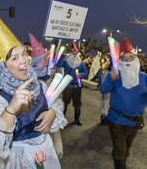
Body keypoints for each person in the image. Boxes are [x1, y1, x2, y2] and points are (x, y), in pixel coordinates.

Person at [0, 0, 67, 169]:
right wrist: (11, 109)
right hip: (14, 160)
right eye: (15, 58)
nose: (24, 61)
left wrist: (53, 113)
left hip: (45, 153)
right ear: (3, 67)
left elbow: (56, 103)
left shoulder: (39, 85)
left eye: (24, 54)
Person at [99, 38, 147, 169]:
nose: (127, 61)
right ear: (120, 60)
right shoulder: (115, 75)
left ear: (136, 59)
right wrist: (111, 79)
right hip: (116, 120)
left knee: (126, 148)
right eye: (124, 58)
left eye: (130, 57)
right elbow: (103, 89)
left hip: (134, 123)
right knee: (120, 149)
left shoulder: (144, 77)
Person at [56, 42, 88, 125]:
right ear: (70, 51)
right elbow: (58, 64)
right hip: (67, 85)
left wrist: (81, 75)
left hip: (77, 86)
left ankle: (77, 120)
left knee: (77, 104)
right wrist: (61, 55)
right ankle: (62, 119)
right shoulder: (65, 61)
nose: (74, 51)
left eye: (76, 50)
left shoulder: (81, 63)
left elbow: (85, 73)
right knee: (65, 103)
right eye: (73, 50)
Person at [97, 57, 111, 125]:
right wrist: (99, 85)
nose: (105, 63)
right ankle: (103, 116)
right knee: (102, 103)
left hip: (108, 90)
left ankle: (106, 117)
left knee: (106, 103)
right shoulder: (101, 70)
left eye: (107, 62)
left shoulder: (110, 71)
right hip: (102, 89)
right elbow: (99, 78)